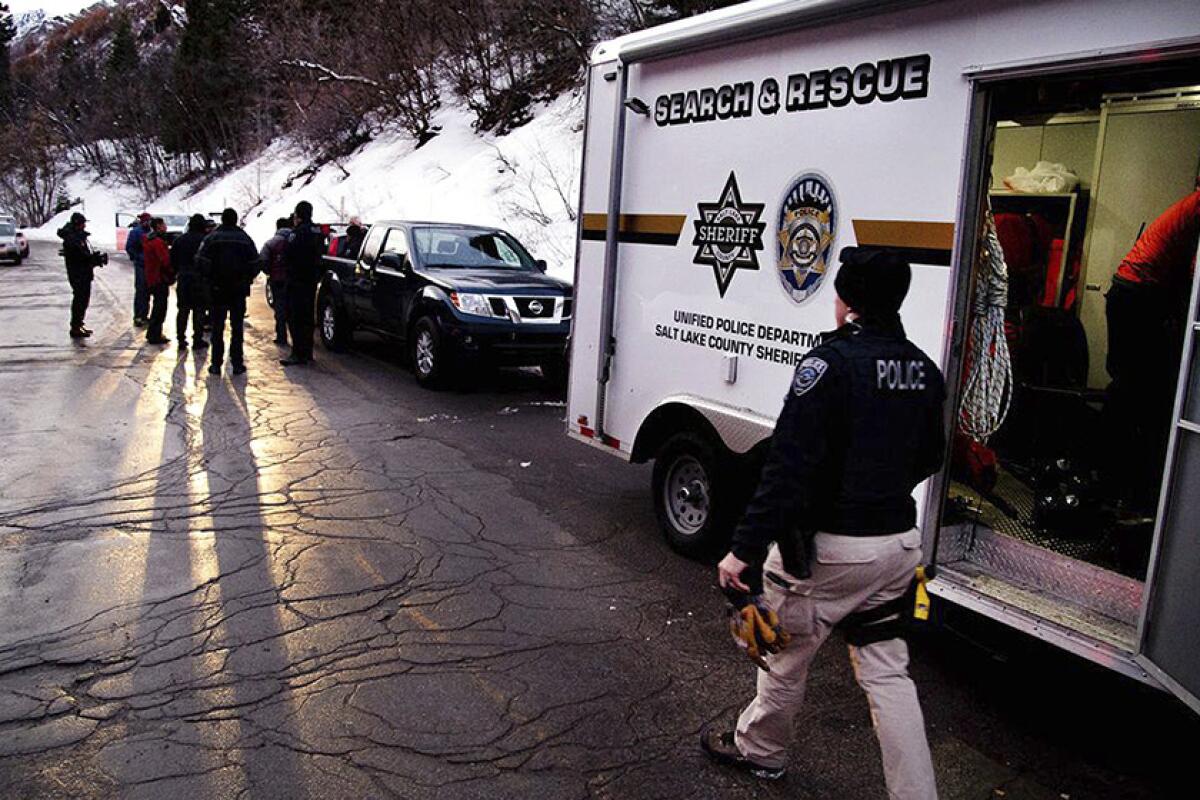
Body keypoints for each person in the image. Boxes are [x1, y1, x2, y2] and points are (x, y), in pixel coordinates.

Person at [702, 248, 945, 800]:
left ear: (848, 300)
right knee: (888, 674)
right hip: (898, 550)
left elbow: (786, 467)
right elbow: (930, 457)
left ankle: (760, 752)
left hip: (829, 554)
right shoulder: (924, 369)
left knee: (784, 657)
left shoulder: (828, 365)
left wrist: (742, 550)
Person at [1105, 184, 1199, 511]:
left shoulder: (1189, 205)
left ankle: (1116, 471)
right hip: (1139, 295)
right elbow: (1194, 275)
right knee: (1138, 390)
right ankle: (1120, 475)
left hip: (1131, 292)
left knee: (1131, 386)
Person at [196, 208, 259, 376]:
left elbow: (201, 261)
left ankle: (216, 363)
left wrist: (209, 279)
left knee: (217, 327)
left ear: (222, 220)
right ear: (236, 220)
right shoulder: (245, 239)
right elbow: (255, 262)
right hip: (238, 290)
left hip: (217, 289)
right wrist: (246, 279)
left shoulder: (212, 238)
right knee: (237, 327)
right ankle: (237, 363)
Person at [281, 200, 325, 366]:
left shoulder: (297, 233)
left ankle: (297, 353)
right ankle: (308, 352)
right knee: (307, 318)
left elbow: (288, 254)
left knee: (295, 317)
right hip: (311, 280)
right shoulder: (317, 231)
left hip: (296, 280)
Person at [58, 212, 100, 339]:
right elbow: (79, 257)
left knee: (83, 300)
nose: (84, 226)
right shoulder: (72, 239)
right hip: (78, 274)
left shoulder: (77, 237)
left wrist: (93, 259)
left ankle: (78, 324)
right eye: (82, 223)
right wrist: (92, 259)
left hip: (83, 273)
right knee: (80, 300)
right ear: (77, 224)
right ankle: (75, 326)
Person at [171, 214, 210, 349]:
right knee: (199, 310)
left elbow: (173, 260)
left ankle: (181, 338)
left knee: (183, 309)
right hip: (200, 279)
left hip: (183, 278)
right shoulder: (205, 241)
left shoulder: (179, 240)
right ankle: (197, 338)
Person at [260, 217, 292, 346]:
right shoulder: (295, 241)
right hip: (293, 280)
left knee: (279, 308)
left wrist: (270, 272)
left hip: (277, 279)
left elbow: (263, 260)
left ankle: (281, 336)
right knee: (293, 308)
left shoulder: (271, 243)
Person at [142, 217, 174, 345]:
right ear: (158, 226)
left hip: (152, 277)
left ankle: (153, 332)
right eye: (163, 224)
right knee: (160, 307)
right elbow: (165, 260)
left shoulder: (148, 240)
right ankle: (155, 333)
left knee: (157, 305)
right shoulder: (158, 242)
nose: (165, 227)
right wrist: (171, 271)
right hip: (159, 277)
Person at [124, 212, 152, 326]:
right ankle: (138, 316)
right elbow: (129, 247)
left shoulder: (151, 232)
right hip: (141, 265)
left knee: (148, 291)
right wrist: (137, 258)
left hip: (150, 265)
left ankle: (144, 314)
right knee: (141, 290)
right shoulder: (135, 232)